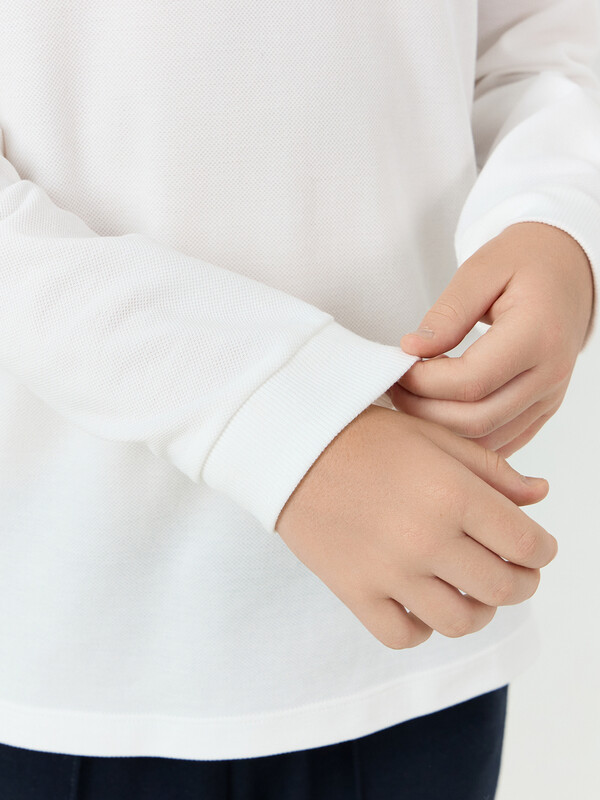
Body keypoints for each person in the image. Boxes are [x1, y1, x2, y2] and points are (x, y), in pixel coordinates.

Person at [0, 1, 598, 798]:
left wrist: (556, 220)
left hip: (422, 616)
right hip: (74, 649)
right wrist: (285, 423)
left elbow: (540, 35)